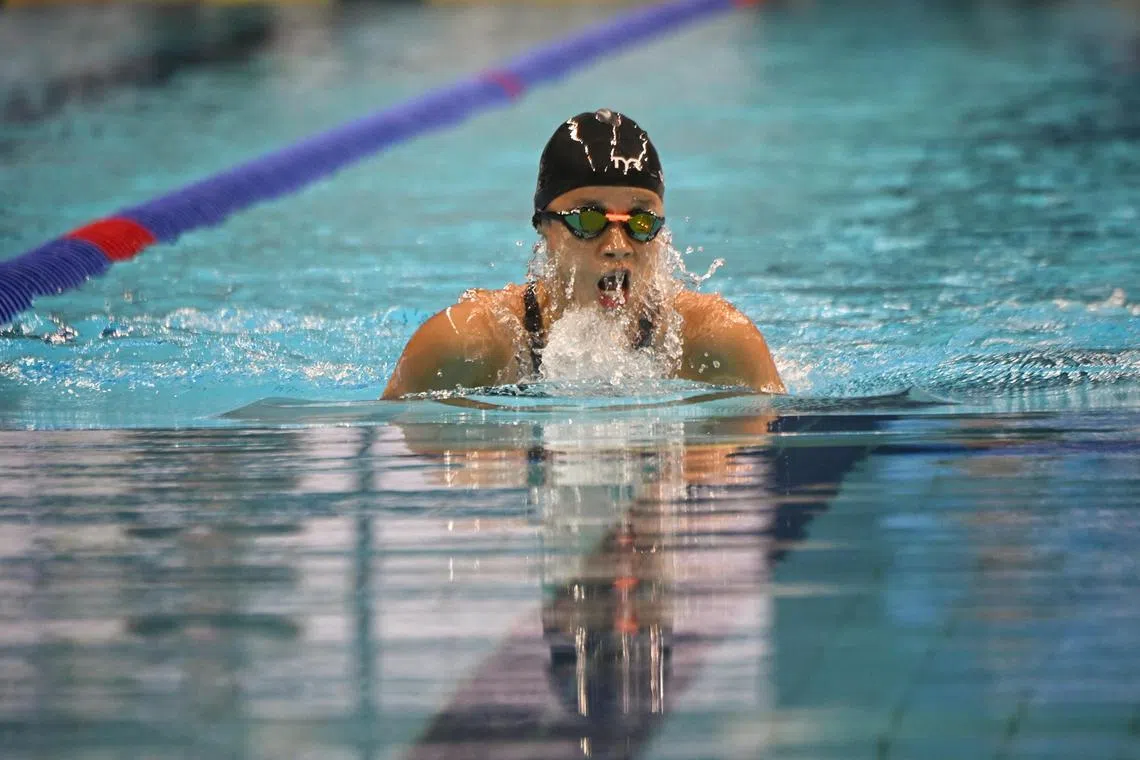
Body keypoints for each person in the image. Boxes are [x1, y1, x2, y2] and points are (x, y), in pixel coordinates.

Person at [381, 109, 784, 399]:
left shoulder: (719, 341)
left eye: (641, 220)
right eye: (588, 219)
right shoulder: (467, 343)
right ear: (545, 228)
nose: (617, 246)